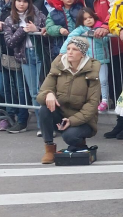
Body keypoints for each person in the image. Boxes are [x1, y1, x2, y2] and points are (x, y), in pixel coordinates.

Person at [34, 35, 100, 163]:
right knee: (44, 110)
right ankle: (49, 148)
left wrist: (71, 121)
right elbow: (41, 93)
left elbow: (92, 104)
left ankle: (79, 142)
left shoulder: (92, 72)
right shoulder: (58, 66)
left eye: (74, 49)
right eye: (68, 48)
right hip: (61, 113)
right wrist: (48, 94)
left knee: (69, 136)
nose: (69, 52)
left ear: (82, 53)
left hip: (83, 119)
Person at [1, 0, 46, 134]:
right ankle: (41, 125)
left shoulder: (38, 14)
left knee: (44, 89)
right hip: (25, 56)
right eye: (18, 1)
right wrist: (23, 30)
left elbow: (48, 32)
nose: (21, 4)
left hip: (40, 54)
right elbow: (10, 42)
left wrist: (36, 29)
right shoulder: (9, 19)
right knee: (34, 92)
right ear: (14, 2)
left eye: (24, 1)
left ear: (29, 2)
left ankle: (48, 123)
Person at [62, 7, 112, 111]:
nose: (88, 20)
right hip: (88, 61)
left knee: (103, 80)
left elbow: (106, 40)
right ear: (81, 21)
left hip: (101, 60)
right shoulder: (80, 30)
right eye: (85, 19)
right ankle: (93, 100)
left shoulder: (101, 27)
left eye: (90, 17)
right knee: (90, 81)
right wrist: (63, 51)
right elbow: (71, 38)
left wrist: (97, 36)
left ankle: (105, 100)